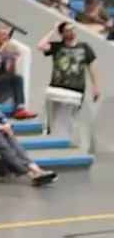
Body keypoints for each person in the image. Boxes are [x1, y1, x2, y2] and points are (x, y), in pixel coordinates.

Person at [39, 21, 100, 149]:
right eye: (68, 30)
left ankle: (66, 141)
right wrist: (53, 31)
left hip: (76, 88)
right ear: (62, 34)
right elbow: (41, 46)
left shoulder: (84, 47)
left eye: (73, 29)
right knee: (54, 118)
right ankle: (53, 141)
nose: (72, 32)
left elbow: (92, 67)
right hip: (57, 87)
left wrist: (96, 86)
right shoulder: (57, 47)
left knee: (69, 118)